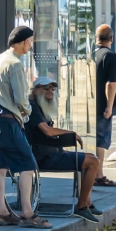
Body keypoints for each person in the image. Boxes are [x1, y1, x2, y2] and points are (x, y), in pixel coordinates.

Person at [0, 25, 49, 229]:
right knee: (28, 165)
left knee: (0, 167)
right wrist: (27, 111)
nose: (31, 46)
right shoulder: (16, 64)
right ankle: (28, 213)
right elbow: (21, 98)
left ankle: (2, 212)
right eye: (30, 42)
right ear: (24, 42)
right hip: (7, 121)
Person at [23, 77, 101, 223]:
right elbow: (47, 131)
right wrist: (71, 134)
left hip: (50, 153)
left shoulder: (40, 107)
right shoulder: (32, 107)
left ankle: (87, 202)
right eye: (46, 88)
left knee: (91, 157)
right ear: (35, 90)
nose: (50, 91)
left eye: (53, 89)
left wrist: (61, 149)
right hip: (42, 158)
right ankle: (81, 206)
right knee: (93, 162)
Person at [93, 24, 116, 188]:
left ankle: (92, 174)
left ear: (96, 38)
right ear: (111, 38)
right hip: (102, 107)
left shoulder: (90, 55)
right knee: (100, 142)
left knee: (92, 141)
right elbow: (111, 84)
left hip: (88, 105)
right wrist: (109, 106)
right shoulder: (111, 56)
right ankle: (98, 175)